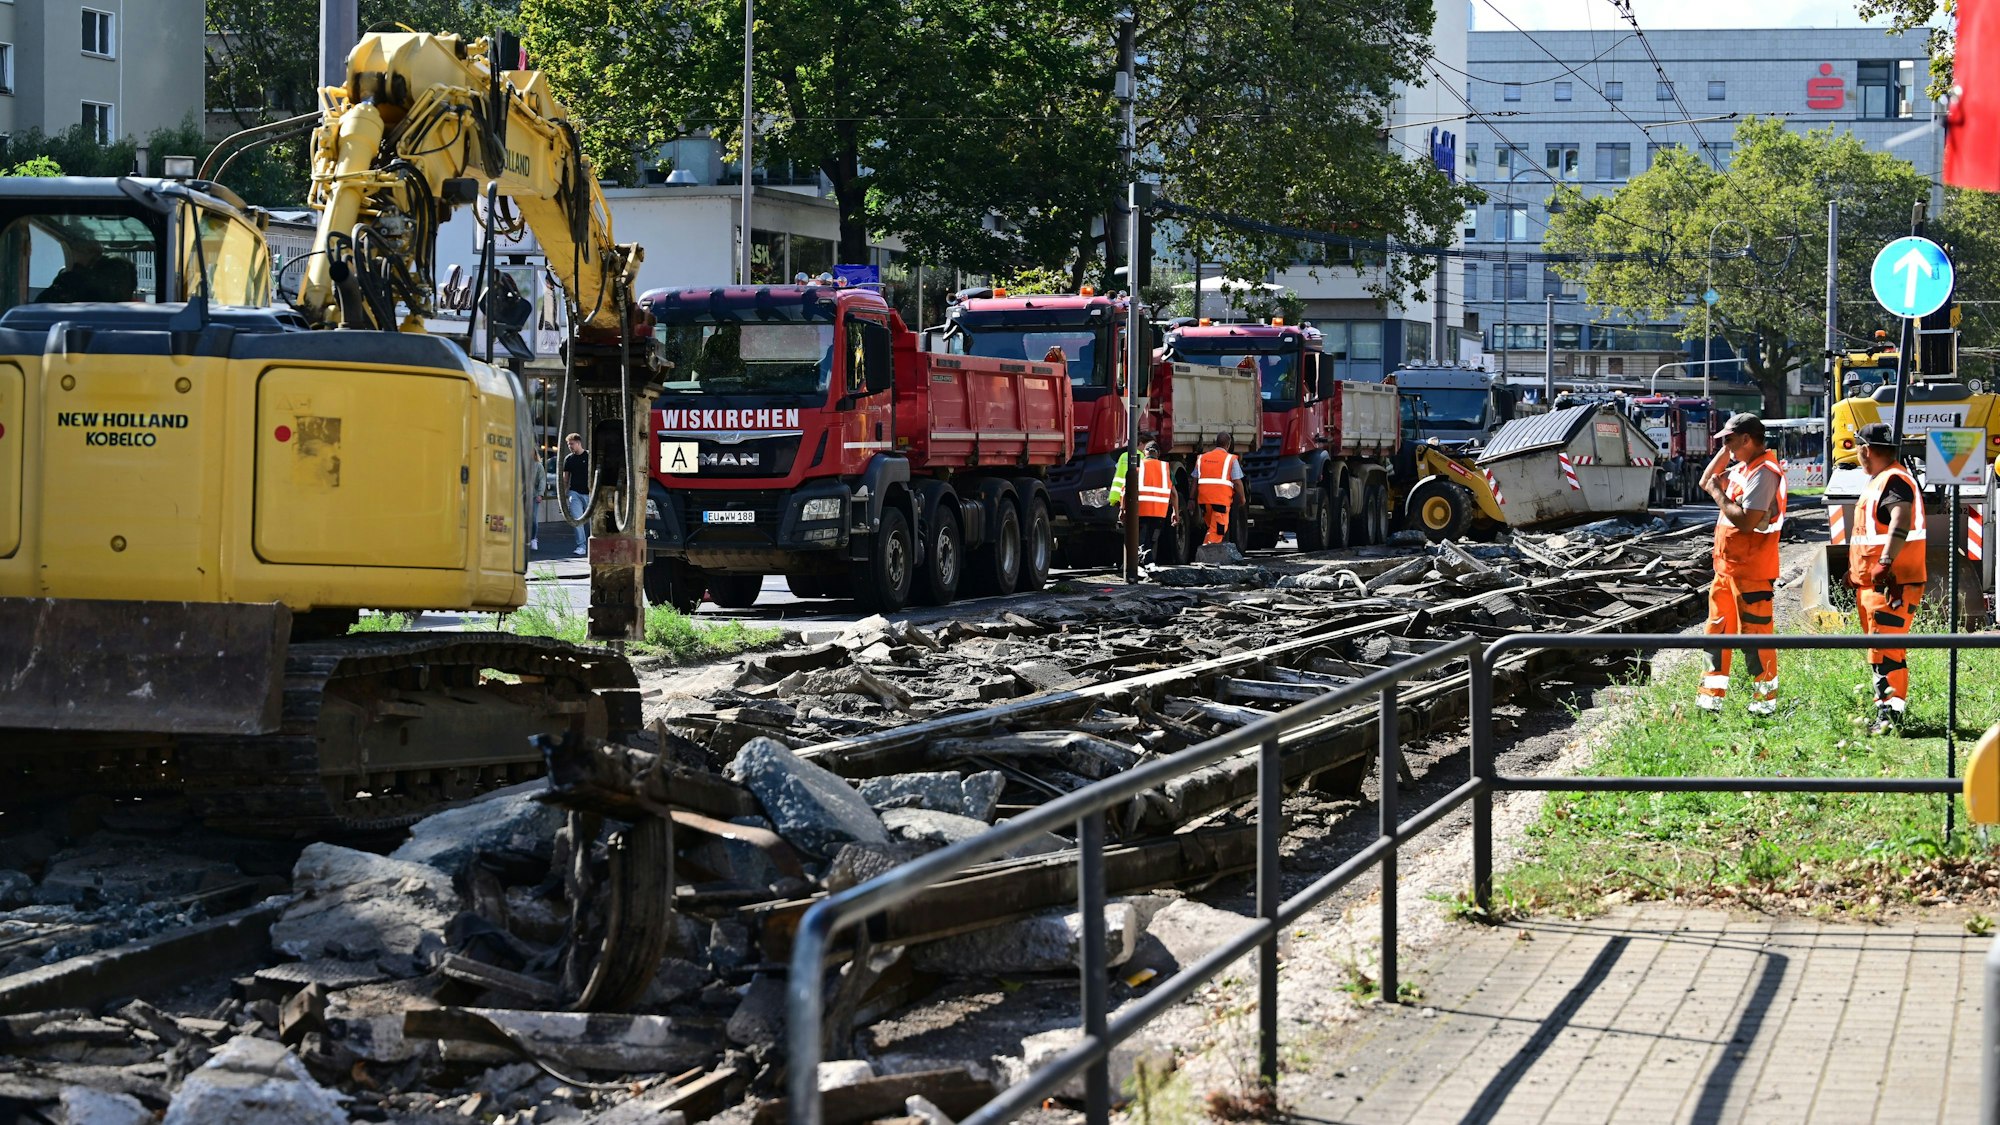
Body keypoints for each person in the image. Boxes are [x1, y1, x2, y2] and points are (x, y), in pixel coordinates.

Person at [1696, 412, 1787, 716]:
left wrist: (1718, 493)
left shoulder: (1764, 472)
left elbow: (1746, 522)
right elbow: (1705, 480)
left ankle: (1764, 705)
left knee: (1755, 639)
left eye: (1731, 440)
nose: (1726, 446)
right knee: (1718, 632)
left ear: (1747, 439)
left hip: (1751, 572)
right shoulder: (1744, 467)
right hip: (1728, 569)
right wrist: (1725, 448)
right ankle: (1710, 700)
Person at [1848, 422, 1927, 735]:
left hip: (1893, 583)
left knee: (1888, 650)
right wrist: (1854, 571)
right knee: (1881, 651)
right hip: (1876, 585)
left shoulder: (1893, 480)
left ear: (1866, 450)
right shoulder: (1881, 480)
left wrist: (1884, 561)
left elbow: (1900, 518)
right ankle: (1886, 713)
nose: (1857, 455)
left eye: (1858, 449)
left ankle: (1890, 720)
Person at [1108, 440, 1179, 566]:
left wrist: (1122, 510)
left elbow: (1125, 491)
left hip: (1140, 512)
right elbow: (1173, 493)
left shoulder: (1137, 468)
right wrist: (1175, 512)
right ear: (1158, 454)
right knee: (1150, 540)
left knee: (1140, 541)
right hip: (1159, 513)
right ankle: (1144, 565)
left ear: (1145, 453)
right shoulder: (1165, 468)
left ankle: (1139, 566)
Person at [1195, 431, 1247, 545]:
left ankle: (1206, 554)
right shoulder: (1231, 459)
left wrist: (1190, 499)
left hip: (1204, 501)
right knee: (1219, 530)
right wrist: (1242, 498)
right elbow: (1237, 482)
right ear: (1228, 445)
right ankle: (1208, 555)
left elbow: (1195, 480)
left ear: (1216, 443)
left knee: (1212, 528)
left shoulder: (1202, 458)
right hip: (1221, 501)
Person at [563, 433, 590, 556]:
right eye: (568, 444)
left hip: (590, 493)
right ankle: (581, 546)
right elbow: (565, 478)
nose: (570, 446)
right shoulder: (569, 459)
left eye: (572, 444)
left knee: (594, 521)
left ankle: (593, 544)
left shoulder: (589, 456)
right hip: (575, 493)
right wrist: (563, 495)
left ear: (579, 443)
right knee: (576, 519)